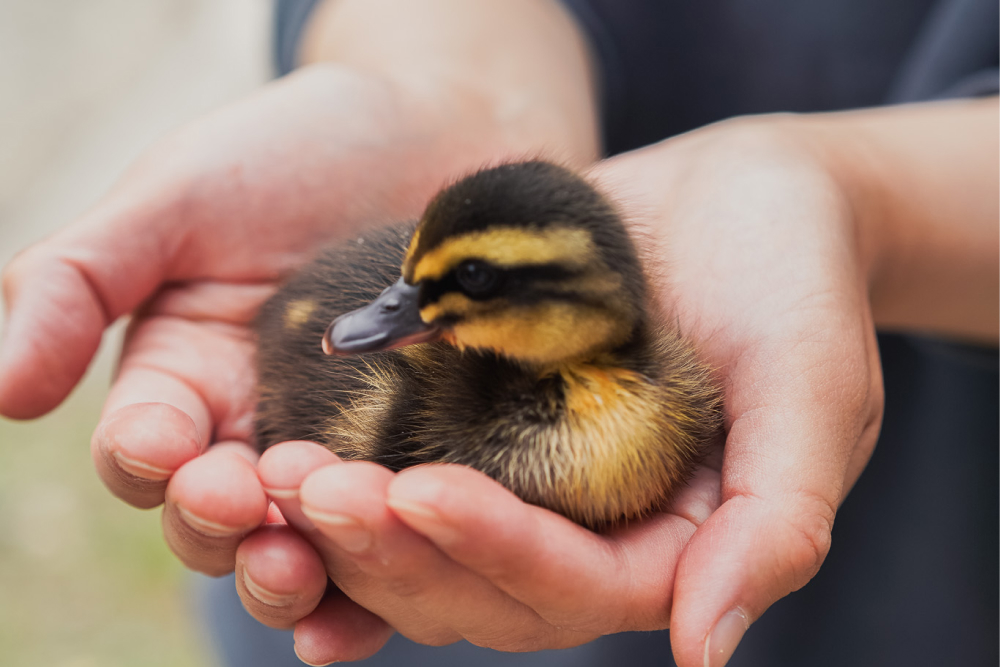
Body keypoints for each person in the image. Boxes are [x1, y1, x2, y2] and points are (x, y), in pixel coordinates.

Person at [1, 1, 996, 666]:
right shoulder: (466, 379)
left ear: (580, 294)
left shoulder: (655, 382)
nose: (389, 318)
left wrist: (866, 205)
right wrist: (440, 74)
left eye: (461, 286)